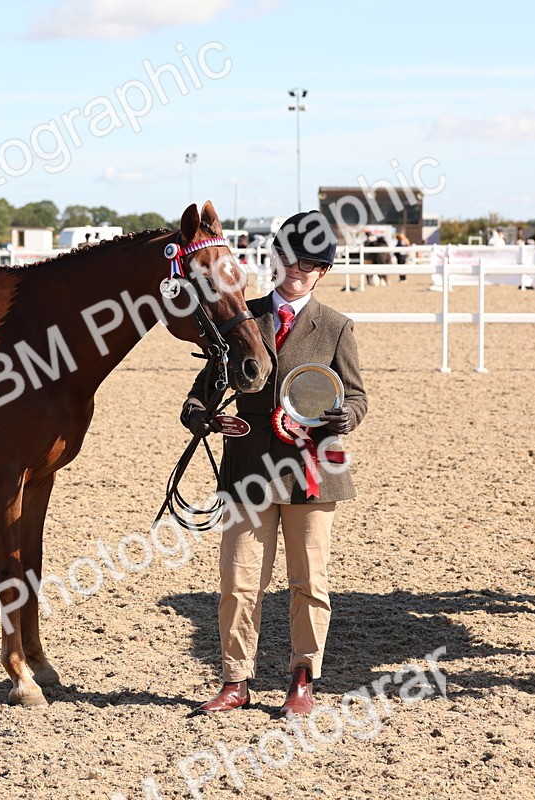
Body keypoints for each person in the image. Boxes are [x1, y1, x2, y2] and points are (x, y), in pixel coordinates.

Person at [180, 210, 368, 717]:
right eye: (290, 258)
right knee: (239, 583)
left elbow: (356, 398)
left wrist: (340, 416)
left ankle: (302, 679)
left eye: (310, 263)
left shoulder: (336, 327)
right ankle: (235, 681)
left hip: (313, 472)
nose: (297, 269)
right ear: (275, 257)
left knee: (309, 581)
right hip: (248, 472)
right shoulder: (244, 318)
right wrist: (204, 419)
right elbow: (197, 399)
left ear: (322, 271)